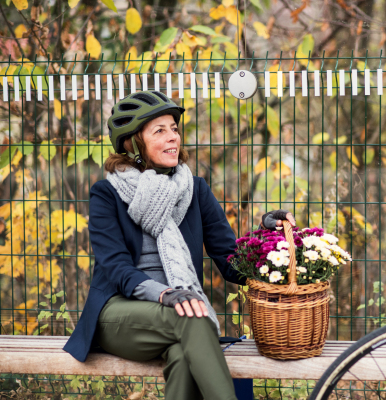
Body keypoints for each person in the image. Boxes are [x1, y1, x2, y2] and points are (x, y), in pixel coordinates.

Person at [63, 90, 296, 400]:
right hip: (119, 312)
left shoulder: (195, 189)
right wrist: (165, 294)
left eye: (174, 128)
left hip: (180, 314)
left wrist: (268, 236)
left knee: (184, 355)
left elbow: (230, 260)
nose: (173, 137)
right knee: (194, 315)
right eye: (159, 130)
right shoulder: (107, 194)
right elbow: (117, 268)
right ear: (133, 144)